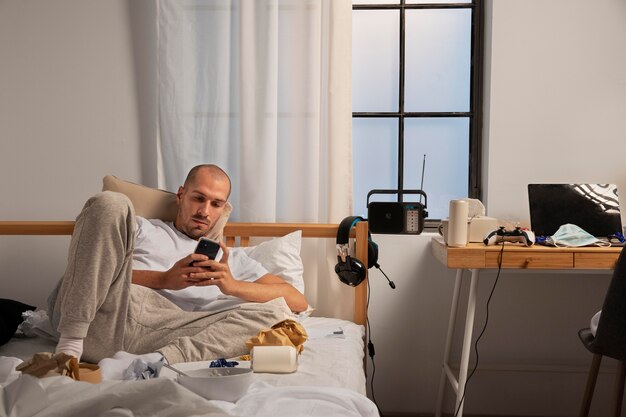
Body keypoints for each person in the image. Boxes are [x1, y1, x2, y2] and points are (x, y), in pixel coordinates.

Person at [48, 164, 308, 364]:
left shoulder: (232, 259)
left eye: (215, 204)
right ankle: (70, 345)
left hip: (167, 334)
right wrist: (163, 279)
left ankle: (156, 363)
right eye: (198, 198)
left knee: (278, 316)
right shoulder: (141, 229)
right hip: (108, 316)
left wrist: (231, 286)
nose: (204, 211)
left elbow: (297, 300)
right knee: (109, 202)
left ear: (222, 209)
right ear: (181, 195)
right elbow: (92, 270)